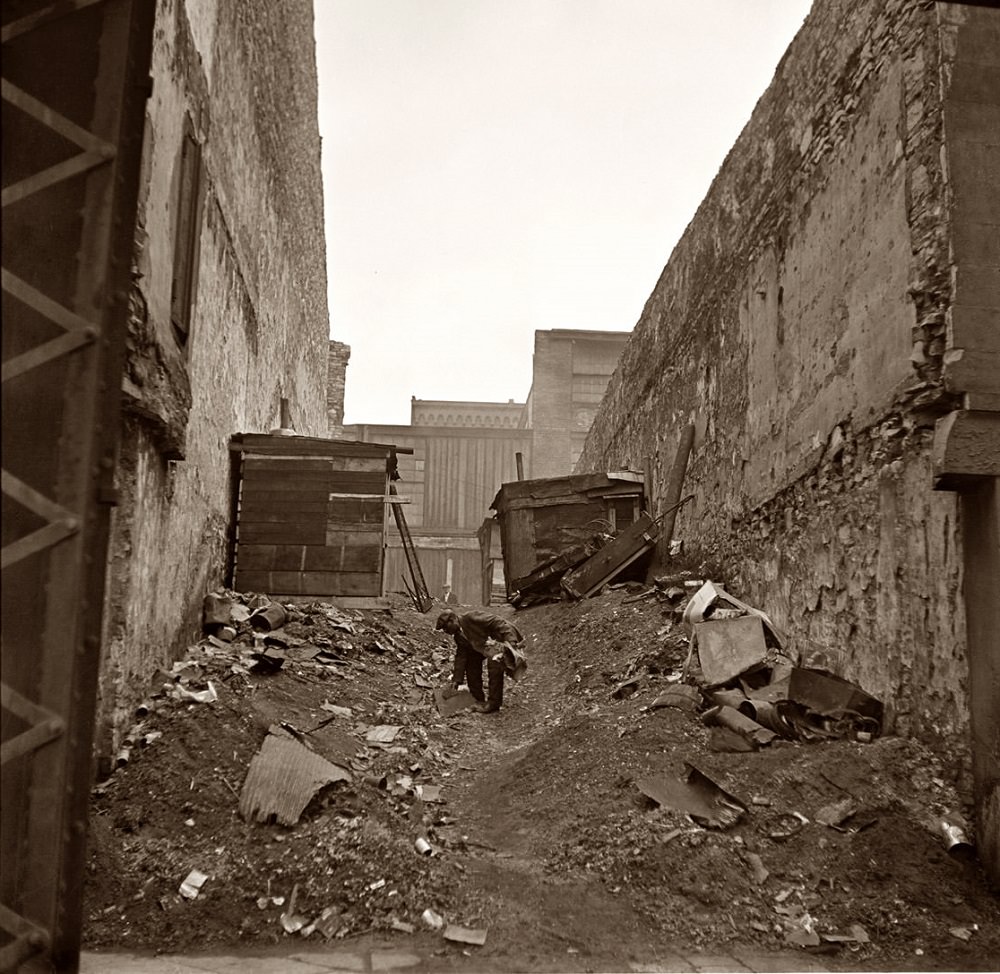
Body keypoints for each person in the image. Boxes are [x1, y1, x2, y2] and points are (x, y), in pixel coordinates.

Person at [435, 608, 525, 714]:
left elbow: (497, 621)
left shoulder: (471, 617)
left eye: (446, 627)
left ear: (453, 620)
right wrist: (456, 680)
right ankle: (478, 699)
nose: (446, 631)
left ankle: (494, 703)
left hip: (499, 637)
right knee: (471, 665)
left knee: (495, 664)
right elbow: (461, 657)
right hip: (483, 646)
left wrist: (511, 640)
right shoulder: (458, 637)